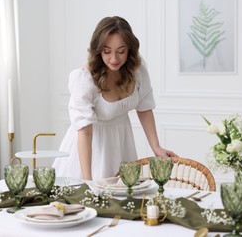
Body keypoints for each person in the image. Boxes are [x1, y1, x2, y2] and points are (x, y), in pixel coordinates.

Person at [52, 16, 177, 181]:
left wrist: (156, 146)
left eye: (121, 51)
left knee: (125, 199)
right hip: (90, 151)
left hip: (122, 142)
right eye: (107, 51)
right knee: (93, 200)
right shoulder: (84, 79)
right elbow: (85, 133)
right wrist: (87, 181)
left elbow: (144, 106)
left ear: (129, 50)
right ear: (98, 50)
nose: (114, 59)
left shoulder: (136, 68)